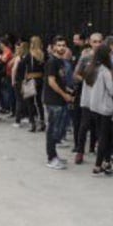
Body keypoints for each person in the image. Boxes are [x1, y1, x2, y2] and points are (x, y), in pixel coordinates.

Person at [43, 36, 74, 170]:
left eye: (63, 45)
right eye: (59, 45)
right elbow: (51, 81)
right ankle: (51, 157)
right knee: (52, 130)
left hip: (59, 100)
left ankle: (54, 155)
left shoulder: (60, 62)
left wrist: (67, 91)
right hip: (53, 100)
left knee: (58, 129)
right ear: (54, 46)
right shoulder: (52, 62)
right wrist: (64, 94)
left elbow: (60, 80)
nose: (61, 47)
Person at [72, 33, 104, 165]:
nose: (97, 44)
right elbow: (75, 74)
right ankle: (80, 151)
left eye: (99, 42)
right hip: (87, 95)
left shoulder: (106, 57)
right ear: (90, 42)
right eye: (94, 42)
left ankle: (100, 153)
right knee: (84, 124)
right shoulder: (85, 57)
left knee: (100, 125)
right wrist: (86, 80)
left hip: (101, 96)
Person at [86, 45, 113, 176]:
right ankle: (98, 165)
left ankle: (107, 162)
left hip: (94, 106)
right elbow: (112, 90)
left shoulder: (92, 68)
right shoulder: (105, 71)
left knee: (101, 134)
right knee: (105, 136)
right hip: (105, 107)